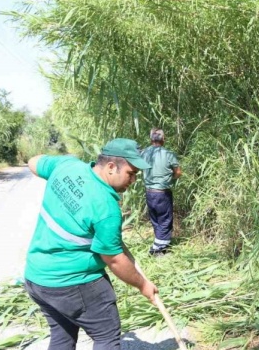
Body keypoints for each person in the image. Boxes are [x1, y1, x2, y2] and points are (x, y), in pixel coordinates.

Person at [24, 138, 158, 350]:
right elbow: (114, 260)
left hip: (37, 278)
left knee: (62, 336)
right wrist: (143, 285)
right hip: (74, 283)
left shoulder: (67, 166)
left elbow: (33, 162)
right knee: (107, 337)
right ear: (111, 167)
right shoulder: (106, 207)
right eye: (131, 174)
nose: (133, 180)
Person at [141, 128, 182, 256]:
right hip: (162, 192)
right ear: (163, 139)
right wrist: (171, 178)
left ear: (151, 139)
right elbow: (178, 173)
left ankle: (161, 246)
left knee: (156, 220)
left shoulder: (144, 153)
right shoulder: (168, 154)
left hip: (149, 192)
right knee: (165, 220)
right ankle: (156, 249)